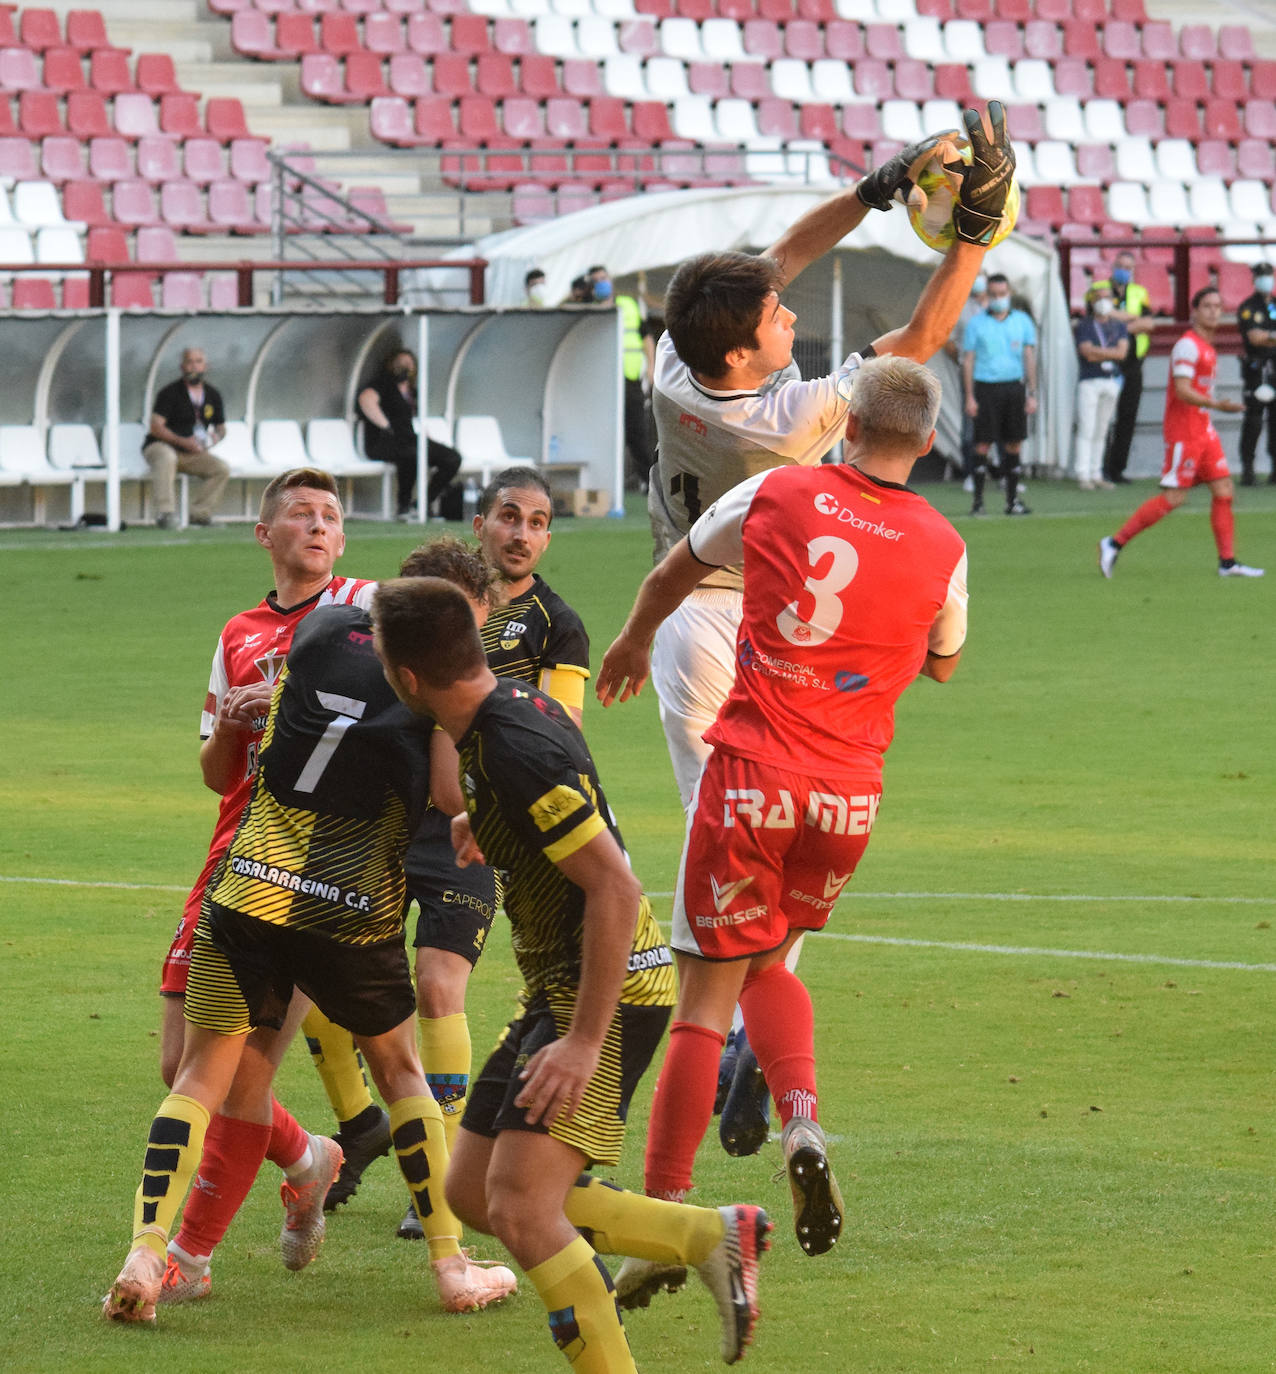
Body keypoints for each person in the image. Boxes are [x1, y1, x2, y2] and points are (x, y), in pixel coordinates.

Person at [644, 104, 1012, 1155]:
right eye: (775, 320)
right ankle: (758, 1036)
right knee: (774, 846)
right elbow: (920, 349)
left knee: (720, 841)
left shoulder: (674, 363)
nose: (789, 317)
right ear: (741, 343)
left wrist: (877, 187)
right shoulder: (793, 418)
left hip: (685, 630)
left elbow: (778, 259)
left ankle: (722, 1039)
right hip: (773, 641)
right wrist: (973, 231)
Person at [595, 354, 968, 1274]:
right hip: (847, 791)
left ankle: (666, 1220)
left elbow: (676, 571)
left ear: (849, 425)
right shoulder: (945, 544)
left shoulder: (778, 490)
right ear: (926, 442)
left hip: (755, 768)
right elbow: (946, 660)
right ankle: (801, 1123)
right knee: (771, 962)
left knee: (702, 997)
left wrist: (636, 639)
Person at [104, 550, 519, 1326]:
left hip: (250, 885)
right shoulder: (440, 674)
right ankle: (452, 1265)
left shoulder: (322, 625)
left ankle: (147, 1252)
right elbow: (443, 792)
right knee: (401, 1073)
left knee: (198, 1078)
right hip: (348, 906)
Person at [372, 576, 771, 1371]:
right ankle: (706, 1235)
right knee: (472, 1194)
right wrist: (484, 821)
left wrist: (586, 1043)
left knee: (521, 1209)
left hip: (610, 991)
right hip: (564, 984)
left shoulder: (511, 745)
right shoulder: (509, 713)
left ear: (407, 679)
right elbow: (571, 802)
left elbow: (615, 885)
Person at [153, 468, 385, 1306]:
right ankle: (306, 1156)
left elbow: (438, 627)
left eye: (331, 516)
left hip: (305, 865)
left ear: (343, 541)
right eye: (300, 513)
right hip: (229, 851)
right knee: (183, 1063)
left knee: (240, 1068)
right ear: (265, 534)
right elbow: (218, 773)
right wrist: (243, 721)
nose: (318, 526)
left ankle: (188, 1256)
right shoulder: (238, 631)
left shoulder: (362, 604)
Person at [393, 467, 591, 1240]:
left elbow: (561, 727)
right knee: (335, 1003)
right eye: (509, 516)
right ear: (480, 523)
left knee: (438, 987)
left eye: (538, 522)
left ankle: (445, 1178)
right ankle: (355, 1130)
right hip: (390, 816)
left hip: (474, 823)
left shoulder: (555, 623)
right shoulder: (435, 600)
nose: (521, 534)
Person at [1099, 287, 1264, 580]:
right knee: (1175, 497)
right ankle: (1113, 543)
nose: (1214, 311)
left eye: (1218, 305)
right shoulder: (1187, 346)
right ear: (1195, 312)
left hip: (1203, 429)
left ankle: (1228, 563)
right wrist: (1217, 404)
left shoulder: (1208, 348)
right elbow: (1183, 391)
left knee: (1224, 491)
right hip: (1184, 432)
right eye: (1208, 306)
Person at [357, 346, 462, 521]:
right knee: (410, 455)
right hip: (383, 442)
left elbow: (416, 419)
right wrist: (386, 426)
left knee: (451, 458)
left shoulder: (413, 392)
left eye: (408, 364)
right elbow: (366, 399)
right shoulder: (383, 384)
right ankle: (403, 506)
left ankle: (422, 503)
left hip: (409, 438)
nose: (405, 368)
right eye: (400, 364)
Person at [961, 272, 1036, 515]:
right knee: (982, 444)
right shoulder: (976, 323)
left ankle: (1012, 501)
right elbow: (968, 360)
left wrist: (1031, 392)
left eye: (1001, 294)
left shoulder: (1022, 321)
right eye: (993, 294)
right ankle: (978, 502)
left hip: (1014, 386)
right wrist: (970, 396)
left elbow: (1029, 357)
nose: (997, 299)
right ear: (987, 295)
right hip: (986, 387)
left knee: (1014, 443)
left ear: (1009, 294)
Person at [143, 346, 231, 529]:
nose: (193, 367)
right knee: (167, 456)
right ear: (182, 366)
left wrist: (214, 439)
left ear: (206, 366)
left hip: (191, 452)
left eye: (198, 362)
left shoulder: (213, 394)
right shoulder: (170, 393)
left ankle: (199, 514)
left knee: (221, 468)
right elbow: (156, 426)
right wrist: (183, 441)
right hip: (162, 446)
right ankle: (165, 513)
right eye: (189, 362)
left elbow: (222, 428)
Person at [1097, 251, 1159, 485]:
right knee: (1103, 417)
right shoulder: (1099, 289)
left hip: (1133, 363)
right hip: (1105, 362)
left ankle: (1117, 469)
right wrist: (1131, 320)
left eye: (1128, 267)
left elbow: (1149, 323)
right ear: (1113, 266)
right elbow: (1102, 317)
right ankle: (1099, 467)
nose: (1123, 271)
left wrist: (1118, 323)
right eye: (1120, 265)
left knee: (1127, 417)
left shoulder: (1139, 293)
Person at [588, 263, 652, 490]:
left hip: (629, 377)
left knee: (637, 433)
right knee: (603, 434)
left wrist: (651, 366)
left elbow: (645, 337)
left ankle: (650, 482)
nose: (602, 283)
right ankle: (603, 484)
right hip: (602, 380)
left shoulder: (628, 305)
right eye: (597, 281)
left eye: (604, 278)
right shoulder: (589, 312)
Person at [1072, 283, 1128, 490]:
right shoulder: (1085, 325)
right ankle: (1082, 472)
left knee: (1102, 429)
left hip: (1111, 379)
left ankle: (1096, 471)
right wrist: (1109, 353)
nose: (1103, 302)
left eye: (1107, 297)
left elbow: (1122, 353)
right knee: (1087, 427)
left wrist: (1099, 353)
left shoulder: (1118, 325)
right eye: (1099, 298)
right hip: (1090, 379)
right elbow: (1086, 351)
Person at [1236, 260, 1276, 486]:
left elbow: (1263, 335)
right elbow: (1254, 337)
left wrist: (1267, 335)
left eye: (1269, 274)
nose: (1266, 279)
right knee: (1253, 419)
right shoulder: (1248, 307)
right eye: (1261, 275)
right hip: (1256, 368)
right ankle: (1248, 468)